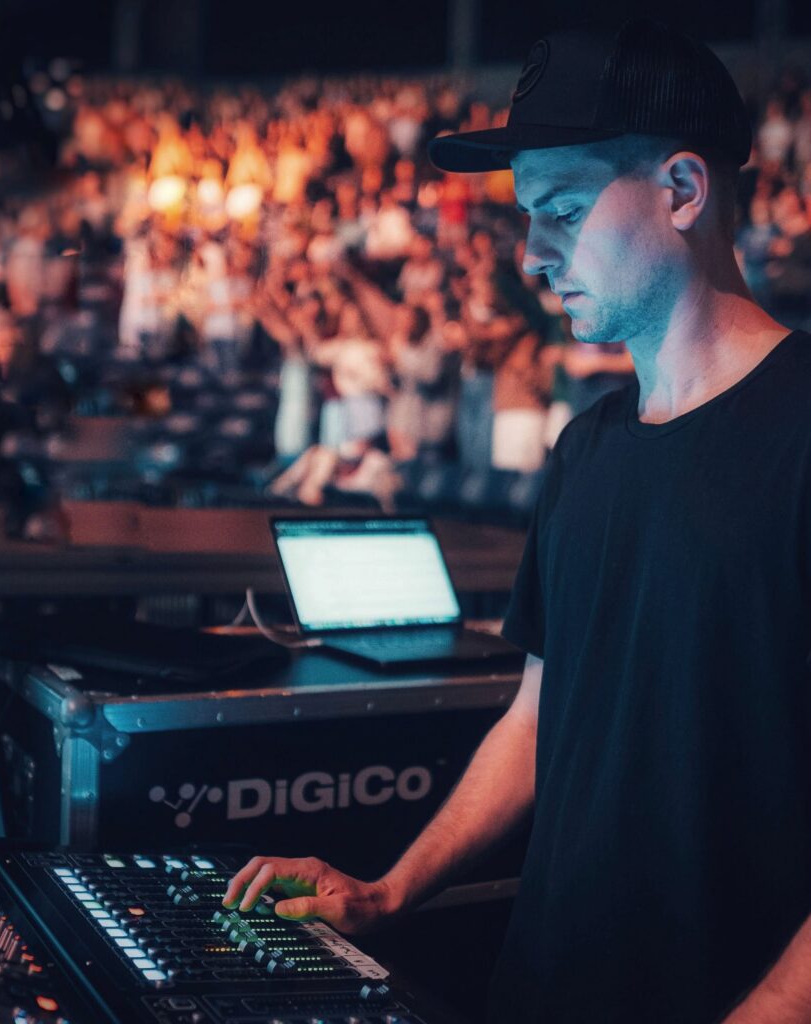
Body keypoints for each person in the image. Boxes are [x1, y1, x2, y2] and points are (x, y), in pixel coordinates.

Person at [223, 20, 811, 1024]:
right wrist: (390, 889)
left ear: (682, 188)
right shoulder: (585, 450)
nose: (533, 256)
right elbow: (540, 718)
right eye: (529, 219)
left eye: (564, 211)